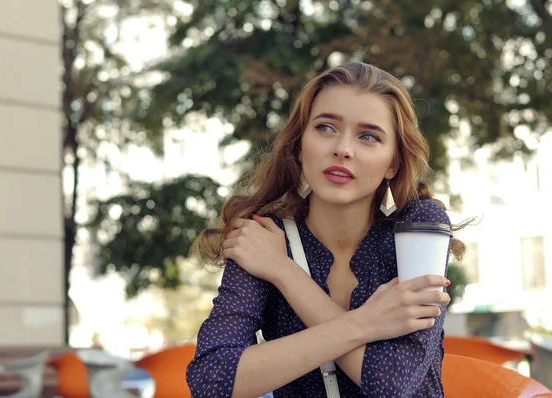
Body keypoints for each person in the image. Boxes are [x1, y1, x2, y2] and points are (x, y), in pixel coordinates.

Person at [186, 62, 467, 397]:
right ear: (300, 146)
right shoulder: (264, 237)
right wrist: (365, 323)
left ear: (393, 163)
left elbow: (392, 385)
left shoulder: (418, 228)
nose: (343, 149)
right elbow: (211, 380)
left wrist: (284, 272)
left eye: (368, 136)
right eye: (325, 128)